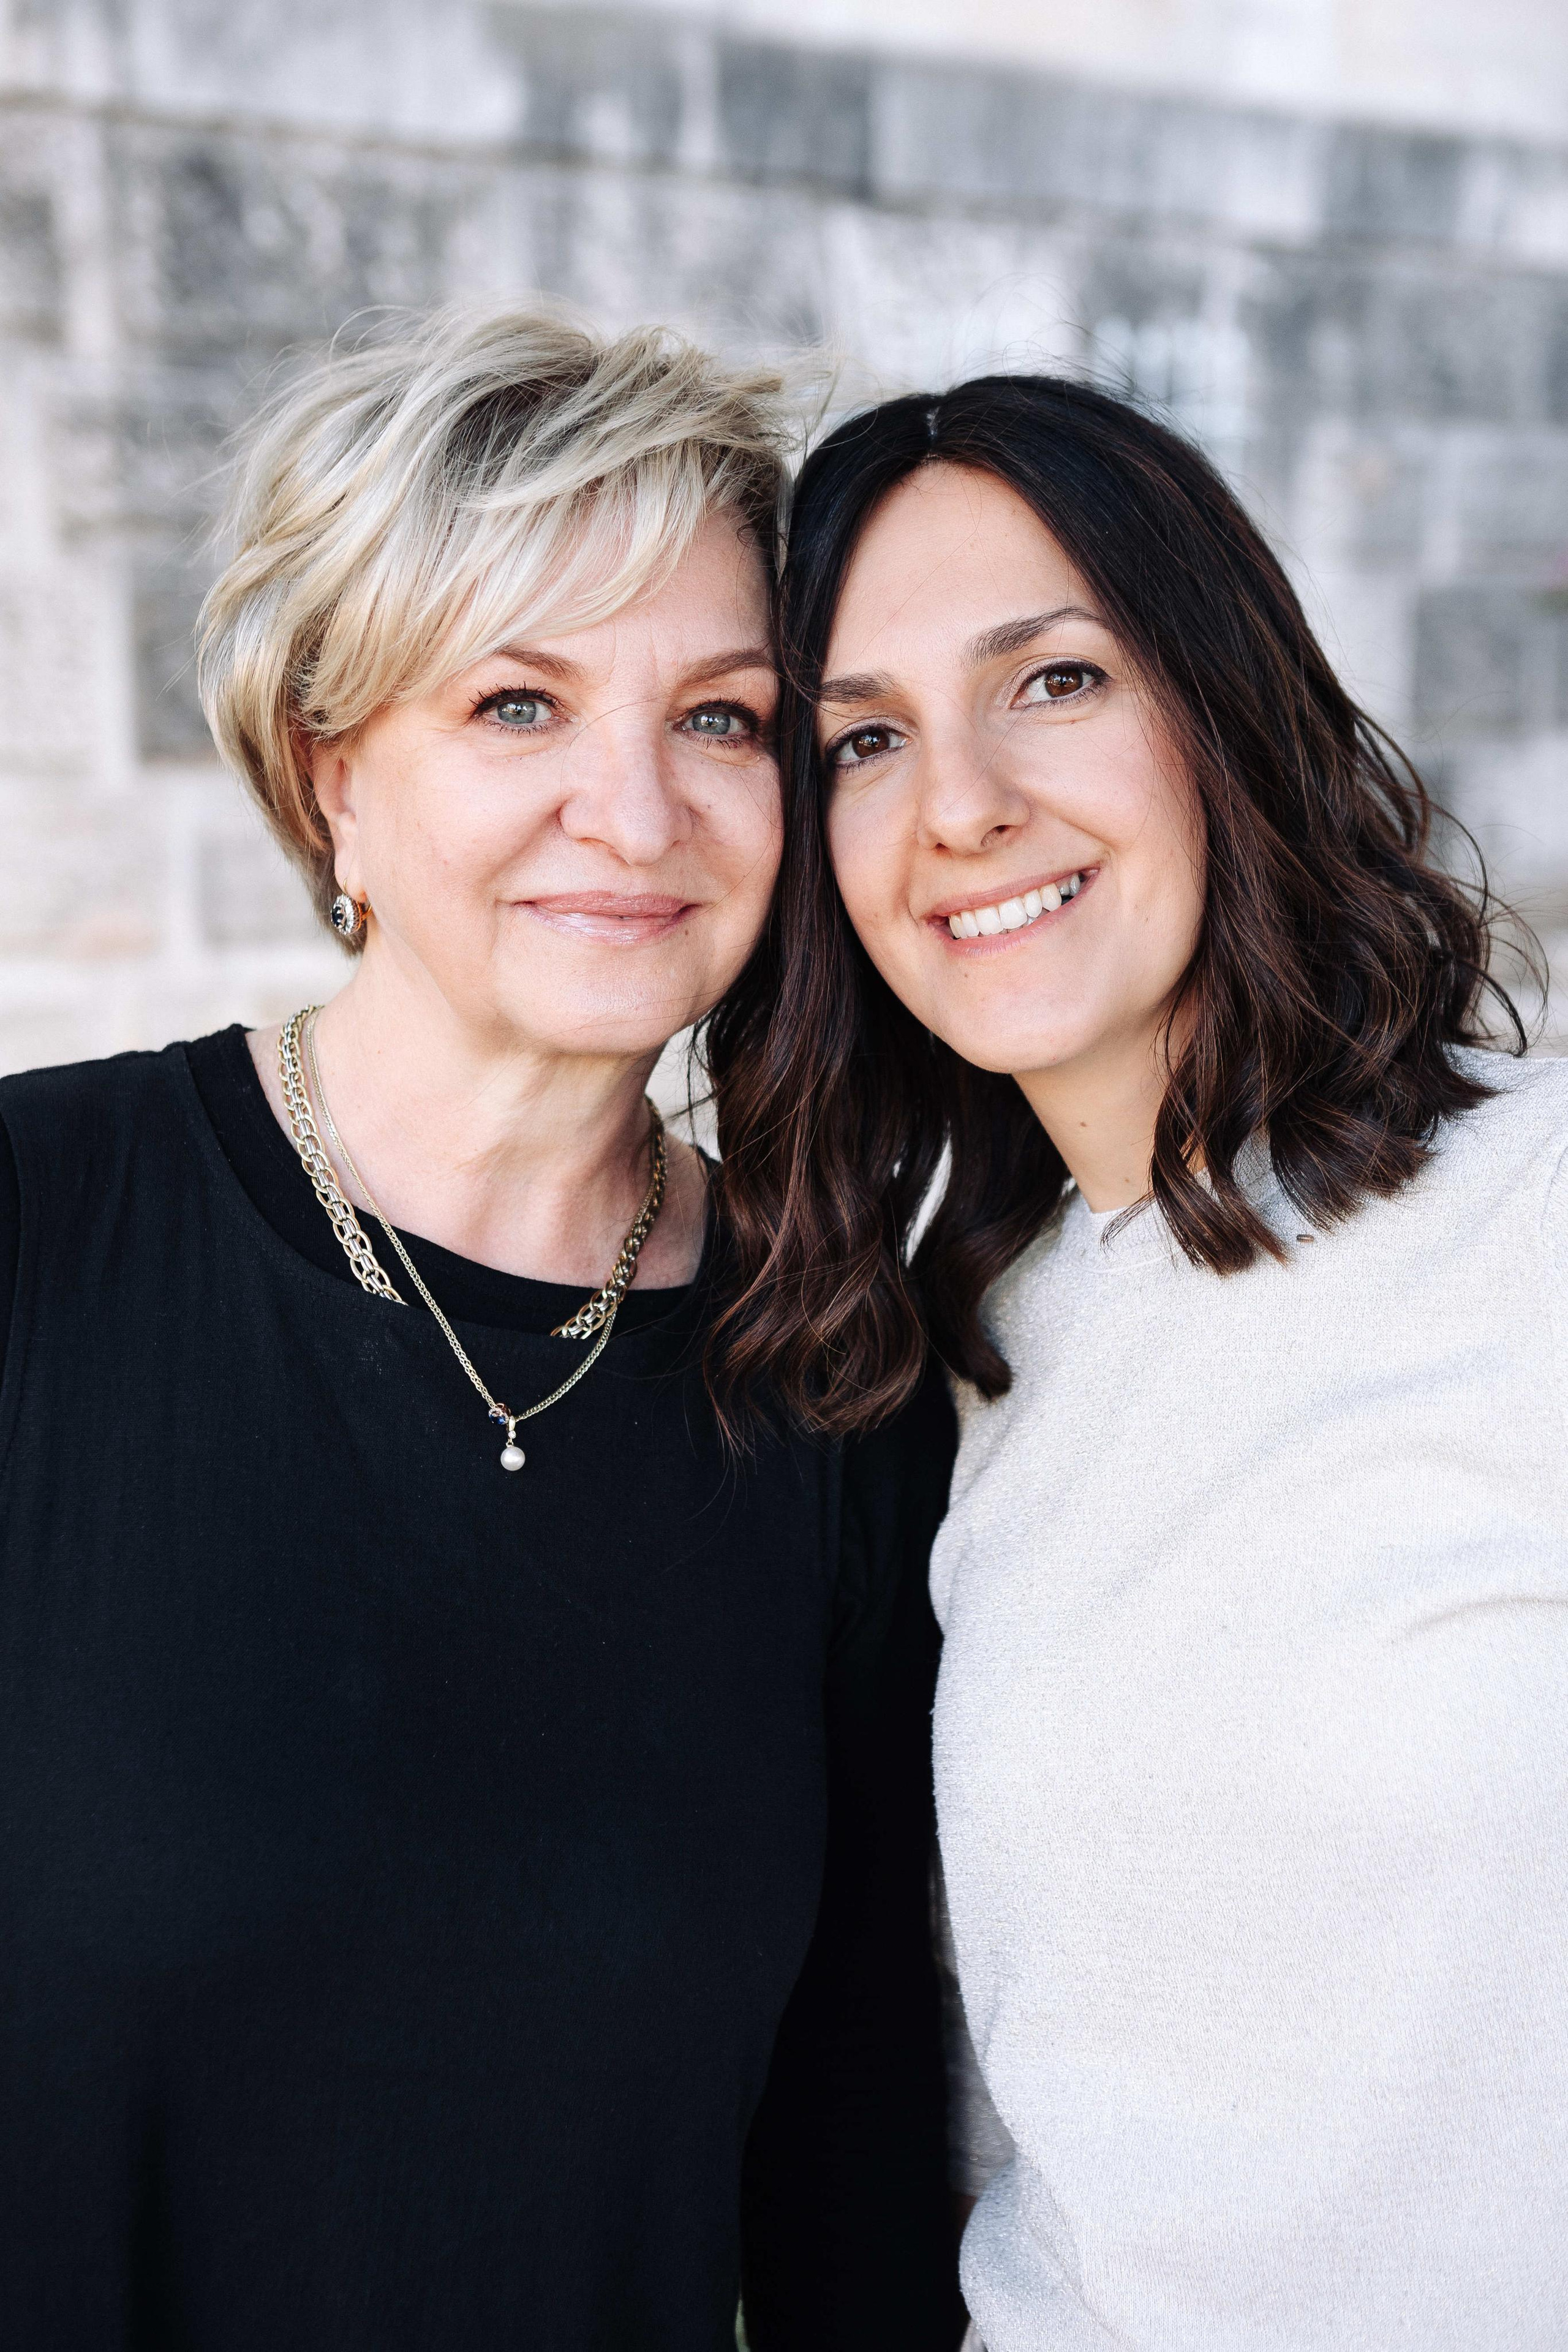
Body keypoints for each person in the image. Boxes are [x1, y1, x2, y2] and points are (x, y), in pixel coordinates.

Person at [0, 309, 967, 2352]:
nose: (635, 814)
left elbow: (855, 2167)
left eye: (722, 720)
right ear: (331, 774)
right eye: (517, 706)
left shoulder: (840, 1379)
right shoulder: (39, 1234)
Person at [705, 374, 1568, 2348]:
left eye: (1057, 680)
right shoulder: (946, 1367)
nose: (964, 804)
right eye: (864, 738)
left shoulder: (1535, 1222)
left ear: (1222, 702)